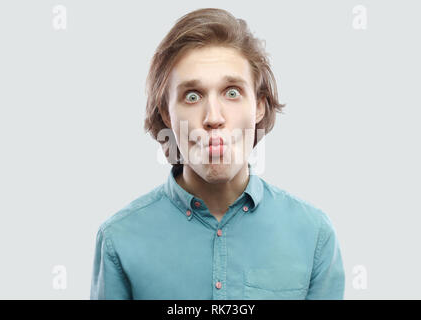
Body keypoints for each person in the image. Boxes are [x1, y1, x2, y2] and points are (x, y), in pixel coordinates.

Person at [90, 8, 345, 300]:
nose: (213, 117)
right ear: (167, 114)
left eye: (232, 92)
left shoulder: (314, 235)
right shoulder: (119, 239)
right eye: (192, 96)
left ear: (259, 105)